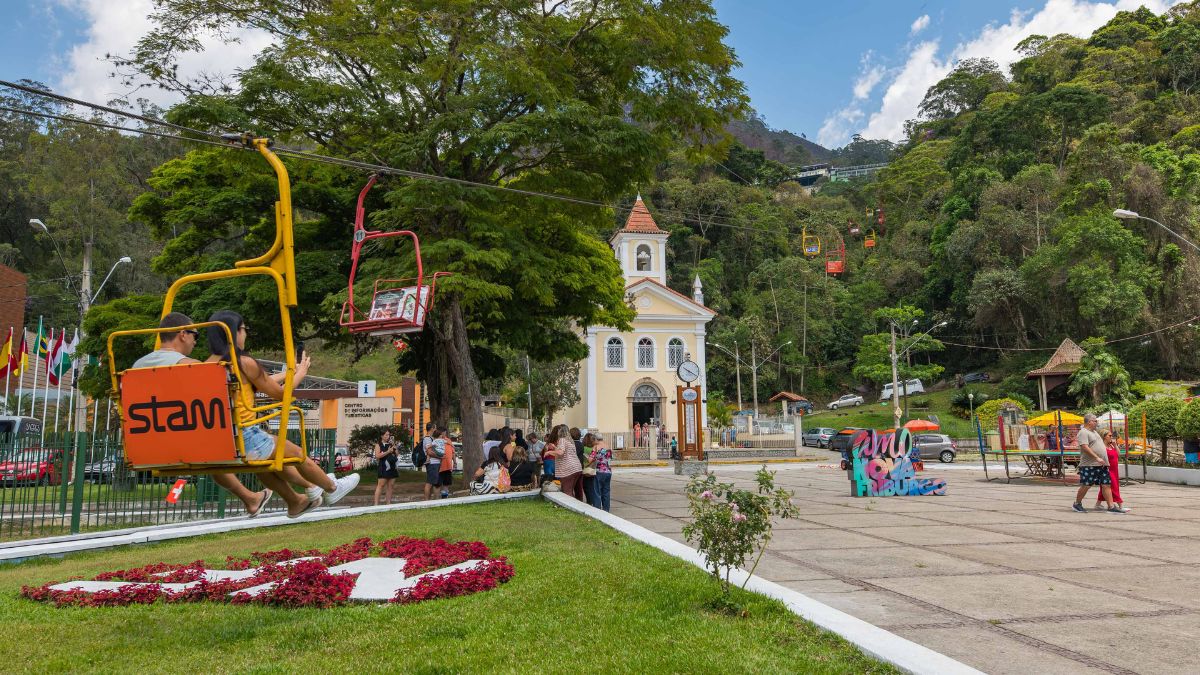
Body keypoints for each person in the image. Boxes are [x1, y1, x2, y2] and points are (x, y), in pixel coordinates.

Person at [205, 311, 360, 517]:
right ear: (234, 332)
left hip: (222, 440)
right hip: (246, 435)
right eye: (244, 330)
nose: (246, 335)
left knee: (265, 466)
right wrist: (301, 375)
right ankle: (332, 489)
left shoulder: (206, 365)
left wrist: (290, 372)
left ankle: (300, 498)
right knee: (297, 455)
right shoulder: (243, 362)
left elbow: (257, 383)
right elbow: (280, 394)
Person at [130, 313, 274, 518]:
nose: (195, 342)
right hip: (190, 439)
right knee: (227, 443)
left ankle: (251, 499)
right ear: (182, 335)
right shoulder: (192, 366)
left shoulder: (137, 366)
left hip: (150, 443)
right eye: (195, 335)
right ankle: (313, 488)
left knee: (211, 452)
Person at [1072, 414, 1121, 513]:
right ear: (1089, 421)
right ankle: (1077, 503)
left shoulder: (1094, 432)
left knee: (1106, 484)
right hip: (1090, 464)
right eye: (1095, 421)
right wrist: (1097, 457)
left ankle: (1111, 507)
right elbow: (1085, 447)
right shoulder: (1083, 432)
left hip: (1102, 465)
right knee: (1086, 485)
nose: (1096, 423)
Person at [546, 424, 584, 501]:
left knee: (567, 492)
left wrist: (549, 452)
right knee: (571, 490)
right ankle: (576, 506)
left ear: (560, 433)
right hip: (576, 468)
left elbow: (560, 453)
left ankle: (571, 508)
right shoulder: (570, 441)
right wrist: (554, 448)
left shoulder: (562, 440)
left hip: (567, 470)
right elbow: (564, 452)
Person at [1095, 430, 1130, 512]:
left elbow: (1118, 454)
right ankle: (1120, 505)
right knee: (1113, 487)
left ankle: (1098, 504)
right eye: (1109, 436)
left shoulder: (1112, 445)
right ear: (1104, 436)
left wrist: (1115, 444)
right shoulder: (1101, 447)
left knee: (1105, 487)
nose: (1111, 437)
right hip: (1107, 469)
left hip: (1114, 470)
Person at [373, 429, 398, 506]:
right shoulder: (378, 445)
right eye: (386, 435)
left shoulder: (391, 444)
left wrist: (394, 446)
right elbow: (377, 456)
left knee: (391, 486)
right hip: (383, 466)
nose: (388, 436)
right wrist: (387, 452)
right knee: (381, 485)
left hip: (392, 466)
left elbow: (397, 454)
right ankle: (376, 504)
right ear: (382, 436)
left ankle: (388, 503)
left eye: (389, 435)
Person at [589, 432, 613, 512]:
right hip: (608, 472)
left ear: (596, 439)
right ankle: (606, 510)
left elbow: (590, 459)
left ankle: (597, 510)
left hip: (599, 471)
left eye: (593, 440)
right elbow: (610, 458)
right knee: (606, 491)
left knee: (597, 491)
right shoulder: (608, 447)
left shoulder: (596, 447)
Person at [423, 427, 447, 500]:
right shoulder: (428, 439)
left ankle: (435, 500)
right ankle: (427, 501)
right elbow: (429, 451)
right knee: (430, 482)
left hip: (437, 463)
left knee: (437, 483)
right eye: (435, 427)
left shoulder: (434, 440)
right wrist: (440, 457)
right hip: (432, 463)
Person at [581, 432, 599, 507]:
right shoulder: (594, 449)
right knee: (592, 487)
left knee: (585, 487)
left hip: (585, 470)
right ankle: (592, 502)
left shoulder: (583, 449)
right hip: (593, 470)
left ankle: (589, 501)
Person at [439, 434, 456, 499]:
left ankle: (445, 496)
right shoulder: (436, 441)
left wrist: (455, 462)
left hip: (448, 466)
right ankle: (439, 496)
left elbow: (453, 452)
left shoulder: (448, 440)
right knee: (438, 483)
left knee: (446, 483)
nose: (443, 434)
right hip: (440, 466)